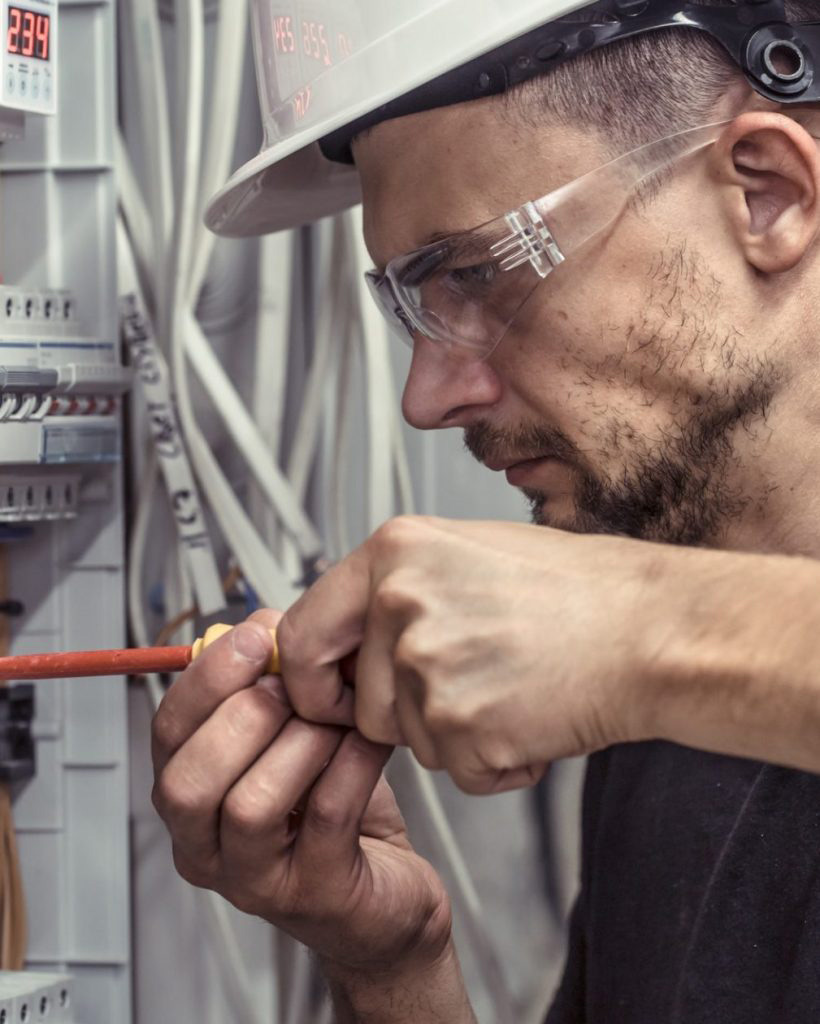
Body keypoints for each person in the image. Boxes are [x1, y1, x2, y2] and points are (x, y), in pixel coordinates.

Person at [152, 1, 820, 1020]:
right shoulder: (665, 664)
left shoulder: (649, 643)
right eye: (414, 304)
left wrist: (640, 631)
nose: (427, 400)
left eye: (473, 271)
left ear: (764, 193)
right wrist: (395, 967)